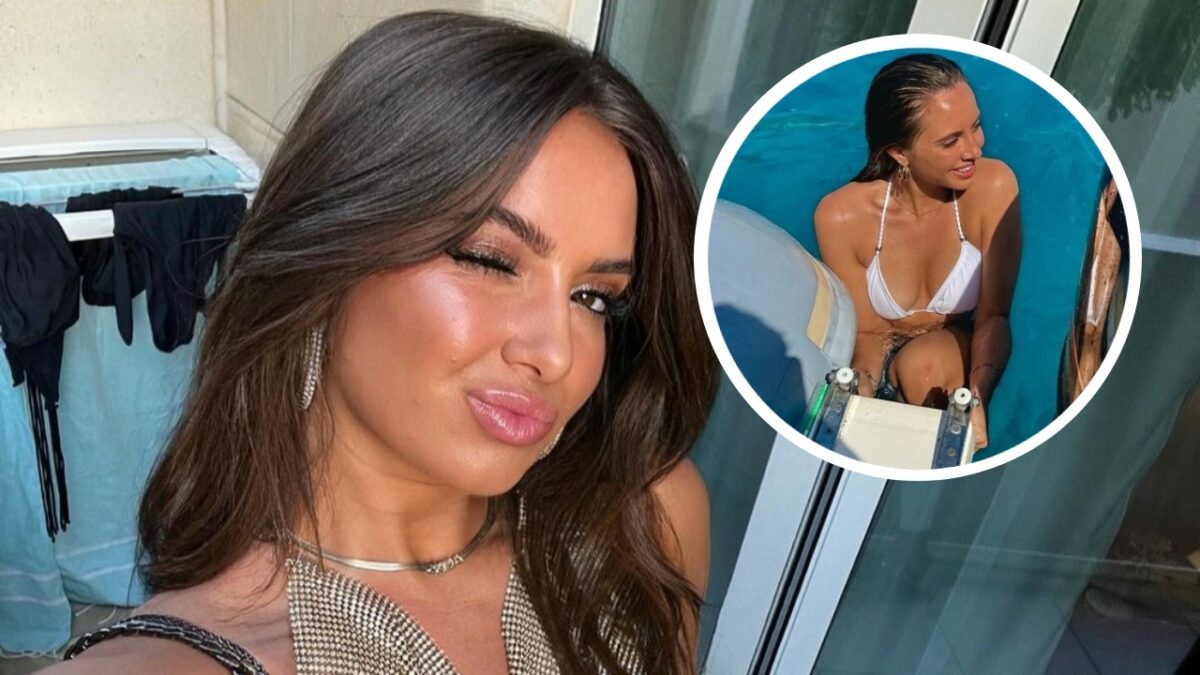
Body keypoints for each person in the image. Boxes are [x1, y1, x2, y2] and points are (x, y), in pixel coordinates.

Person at [47, 11, 716, 674]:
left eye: (593, 297)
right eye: (489, 260)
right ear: (327, 259)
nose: (557, 354)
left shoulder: (643, 528)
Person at [814, 53, 1022, 450]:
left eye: (975, 126)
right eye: (951, 141)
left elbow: (994, 316)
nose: (975, 149)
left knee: (922, 369)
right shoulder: (840, 216)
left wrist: (978, 398)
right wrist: (861, 386)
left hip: (952, 340)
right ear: (899, 153)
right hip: (884, 344)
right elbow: (871, 332)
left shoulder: (994, 187)